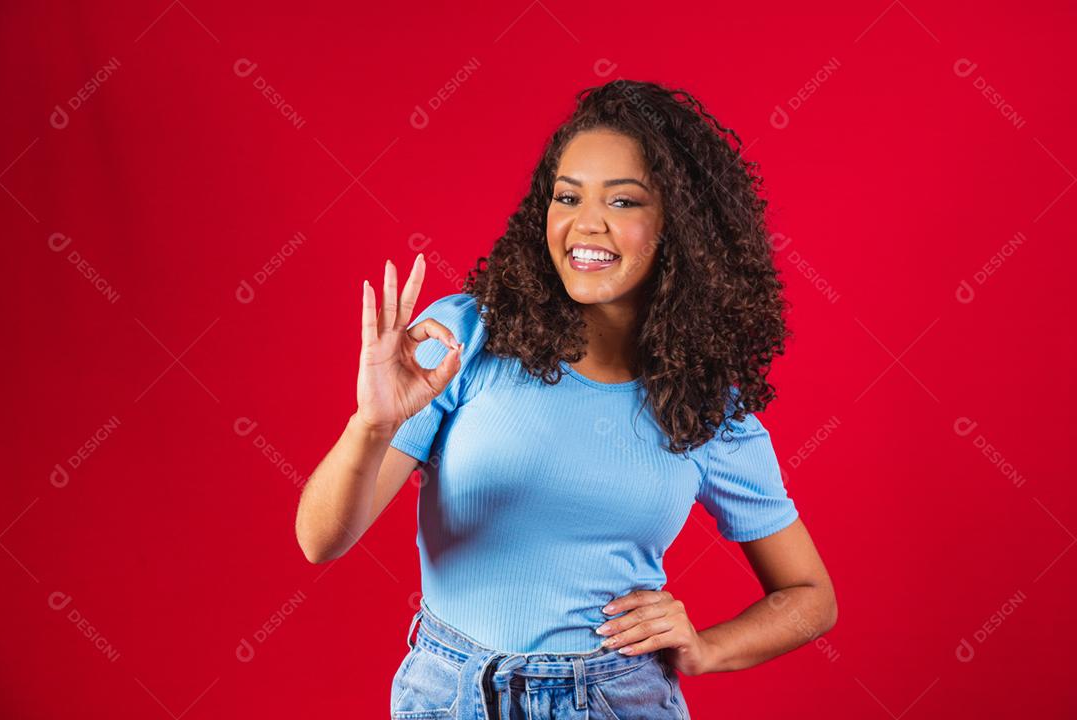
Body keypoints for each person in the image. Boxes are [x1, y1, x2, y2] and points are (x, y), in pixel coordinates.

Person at [295, 79, 837, 720]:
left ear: (680, 228)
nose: (586, 224)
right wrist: (372, 424)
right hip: (450, 694)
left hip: (616, 698)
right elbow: (320, 540)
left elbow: (811, 598)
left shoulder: (705, 405)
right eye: (567, 196)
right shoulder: (464, 338)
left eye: (625, 200)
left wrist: (705, 648)